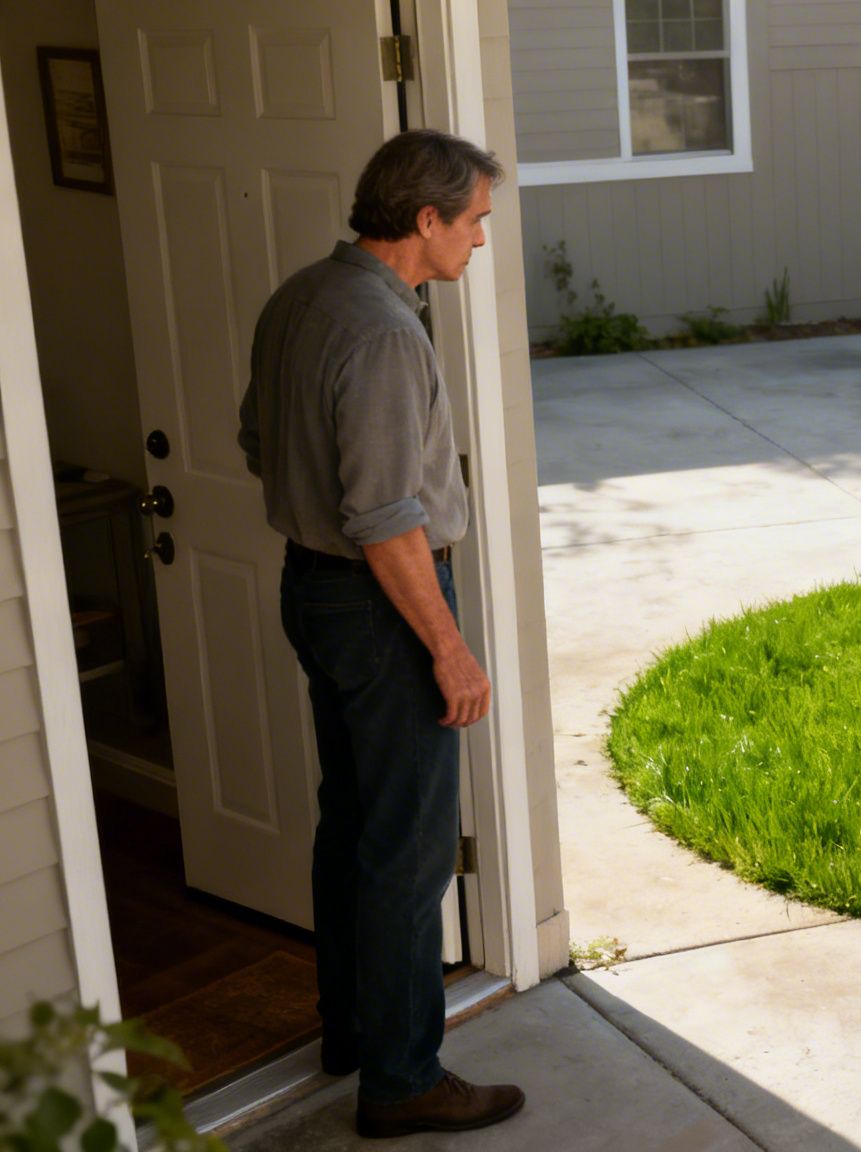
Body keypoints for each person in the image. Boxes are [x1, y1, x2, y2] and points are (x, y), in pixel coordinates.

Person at [237, 129, 524, 1139]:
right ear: (425, 219)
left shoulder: (300, 300)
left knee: (354, 824)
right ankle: (402, 1080)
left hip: (313, 594)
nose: (482, 240)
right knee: (408, 852)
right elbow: (388, 519)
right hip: (378, 606)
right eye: (475, 221)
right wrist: (446, 646)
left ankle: (353, 1032)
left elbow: (254, 440)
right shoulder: (385, 332)